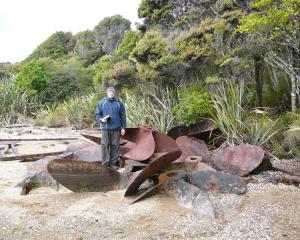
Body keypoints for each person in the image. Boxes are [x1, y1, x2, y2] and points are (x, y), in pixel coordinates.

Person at [95, 86, 126, 170]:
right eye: (110, 92)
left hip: (116, 128)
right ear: (107, 93)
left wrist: (123, 127)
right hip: (105, 128)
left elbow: (123, 116)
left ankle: (112, 164)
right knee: (105, 145)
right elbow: (97, 115)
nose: (111, 93)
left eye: (113, 92)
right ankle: (105, 164)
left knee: (115, 146)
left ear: (114, 93)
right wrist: (102, 119)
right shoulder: (102, 102)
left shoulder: (119, 103)